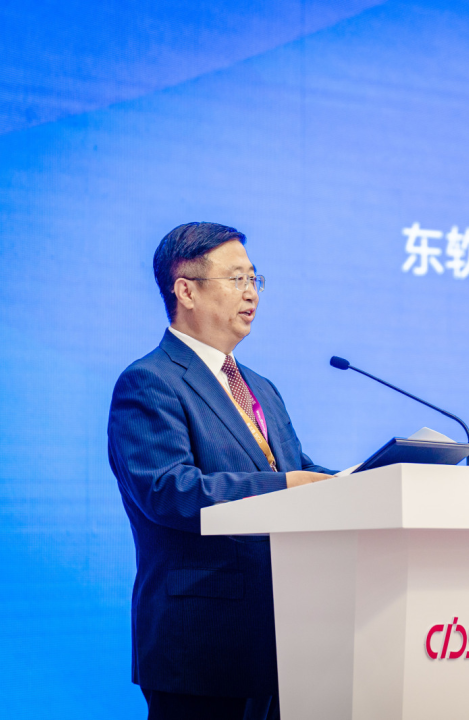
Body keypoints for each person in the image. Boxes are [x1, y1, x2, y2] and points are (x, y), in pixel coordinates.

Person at [108, 222, 333, 720]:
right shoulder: (149, 382)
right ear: (186, 290)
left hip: (283, 639)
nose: (252, 293)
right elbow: (169, 490)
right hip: (201, 641)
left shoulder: (260, 386)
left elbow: (296, 467)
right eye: (236, 279)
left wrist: (362, 481)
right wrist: (286, 487)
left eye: (255, 279)